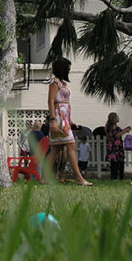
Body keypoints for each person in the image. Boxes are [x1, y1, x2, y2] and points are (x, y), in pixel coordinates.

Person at [47, 57, 91, 186]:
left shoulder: (63, 84)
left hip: (64, 119)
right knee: (71, 145)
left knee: (55, 149)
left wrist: (70, 120)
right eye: (68, 68)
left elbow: (66, 105)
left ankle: (45, 177)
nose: (69, 70)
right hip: (59, 119)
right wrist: (53, 120)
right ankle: (79, 178)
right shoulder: (54, 83)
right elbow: (51, 101)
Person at [104, 112, 131, 181]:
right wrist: (124, 131)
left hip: (118, 147)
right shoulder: (111, 127)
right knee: (114, 164)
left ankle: (121, 177)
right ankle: (114, 177)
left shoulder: (116, 127)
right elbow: (116, 135)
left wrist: (126, 129)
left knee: (121, 163)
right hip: (114, 147)